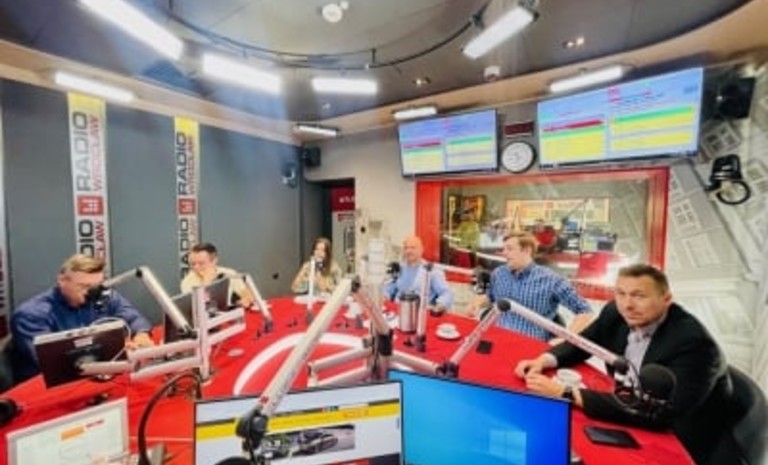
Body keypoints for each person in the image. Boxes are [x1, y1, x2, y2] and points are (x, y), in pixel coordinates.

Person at [514, 264, 731, 465]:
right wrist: (543, 360)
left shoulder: (695, 344)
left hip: (677, 437)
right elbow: (585, 343)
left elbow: (660, 413)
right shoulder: (616, 312)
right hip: (628, 406)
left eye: (639, 296)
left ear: (666, 299)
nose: (627, 305)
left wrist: (566, 393)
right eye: (621, 293)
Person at [10, 254, 153, 382]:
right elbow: (53, 362)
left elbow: (135, 319)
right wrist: (117, 350)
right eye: (84, 286)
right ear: (62, 280)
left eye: (96, 286)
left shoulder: (103, 296)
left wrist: (141, 336)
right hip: (47, 386)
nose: (91, 293)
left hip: (97, 375)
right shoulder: (31, 314)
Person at [471, 232, 593, 340]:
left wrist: (565, 339)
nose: (504, 253)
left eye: (509, 249)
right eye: (504, 249)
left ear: (527, 250)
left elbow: (585, 312)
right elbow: (491, 297)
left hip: (531, 345)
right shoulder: (499, 273)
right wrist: (477, 303)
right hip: (496, 339)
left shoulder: (551, 280)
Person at [385, 235, 453, 314]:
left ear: (421, 250)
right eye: (406, 248)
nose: (408, 251)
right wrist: (384, 297)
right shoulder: (399, 268)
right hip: (396, 311)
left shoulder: (432, 270)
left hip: (419, 314)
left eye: (413, 248)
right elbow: (388, 289)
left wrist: (438, 307)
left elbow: (446, 293)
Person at [181, 242, 254, 307]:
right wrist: (206, 282)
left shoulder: (228, 273)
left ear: (214, 261)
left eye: (201, 263)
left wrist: (246, 299)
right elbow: (198, 307)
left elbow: (245, 292)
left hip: (226, 313)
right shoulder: (187, 282)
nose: (196, 267)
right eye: (193, 264)